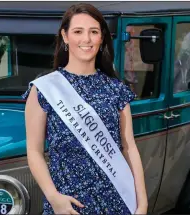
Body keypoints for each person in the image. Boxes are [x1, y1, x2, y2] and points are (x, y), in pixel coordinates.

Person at [23, 3, 148, 215]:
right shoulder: (43, 89)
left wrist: (142, 203)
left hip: (116, 202)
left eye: (94, 32)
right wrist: (53, 198)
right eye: (78, 31)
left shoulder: (116, 89)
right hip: (67, 204)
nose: (86, 39)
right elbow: (34, 151)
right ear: (65, 36)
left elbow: (130, 148)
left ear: (101, 38)